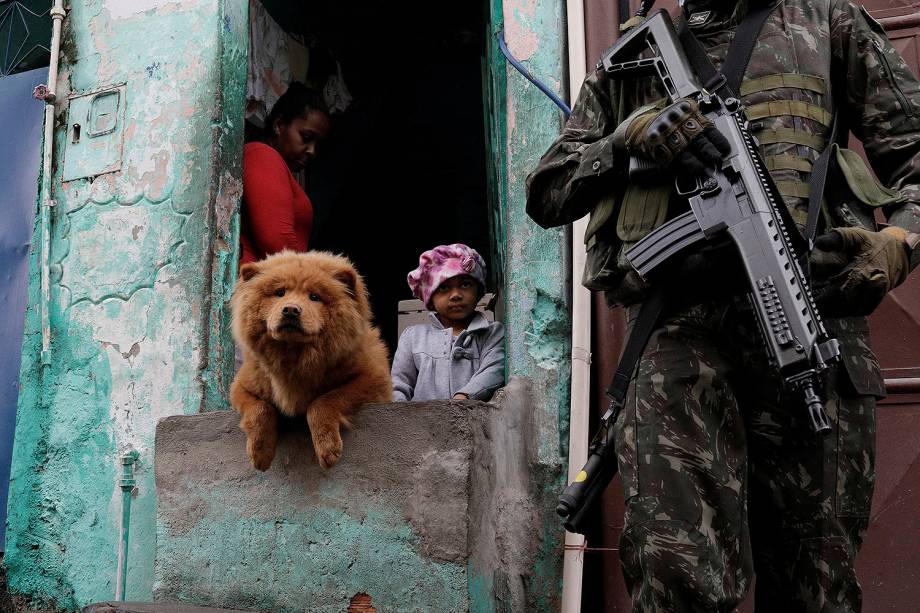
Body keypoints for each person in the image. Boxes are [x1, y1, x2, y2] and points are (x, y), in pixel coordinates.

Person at [526, 0, 920, 610]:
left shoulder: (827, 23)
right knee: (675, 577)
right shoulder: (633, 53)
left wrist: (898, 241)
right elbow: (549, 189)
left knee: (816, 588)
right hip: (677, 340)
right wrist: (629, 142)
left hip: (812, 326)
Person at [391, 244, 505, 402]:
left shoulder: (492, 333)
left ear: (478, 291)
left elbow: (494, 369)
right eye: (444, 287)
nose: (456, 295)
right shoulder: (413, 337)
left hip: (474, 423)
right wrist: (399, 416)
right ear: (430, 298)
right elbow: (399, 383)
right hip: (420, 424)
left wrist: (464, 396)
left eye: (465, 284)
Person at [240, 82, 331, 265]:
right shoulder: (262, 155)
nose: (312, 151)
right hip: (265, 286)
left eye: (318, 144)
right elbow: (277, 243)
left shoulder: (278, 167)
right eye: (306, 137)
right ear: (279, 125)